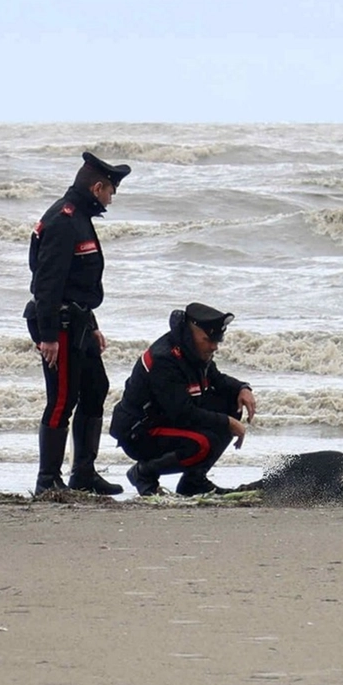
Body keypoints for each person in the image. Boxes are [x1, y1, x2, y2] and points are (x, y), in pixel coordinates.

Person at [25, 151, 132, 493]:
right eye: (110, 191)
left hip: (80, 321)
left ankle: (83, 472)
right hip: (60, 325)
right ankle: (48, 480)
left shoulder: (81, 217)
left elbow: (78, 283)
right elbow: (46, 283)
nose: (111, 198)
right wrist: (49, 335)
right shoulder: (63, 219)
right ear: (97, 187)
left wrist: (94, 323)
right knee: (61, 399)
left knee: (96, 388)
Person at [109, 303, 258, 496]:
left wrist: (243, 388)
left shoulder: (193, 350)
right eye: (209, 340)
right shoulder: (164, 359)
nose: (214, 346)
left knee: (232, 401)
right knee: (203, 443)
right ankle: (143, 473)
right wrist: (227, 422)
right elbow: (182, 413)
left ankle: (193, 482)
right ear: (191, 332)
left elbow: (218, 380)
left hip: (168, 420)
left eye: (217, 340)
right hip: (139, 433)